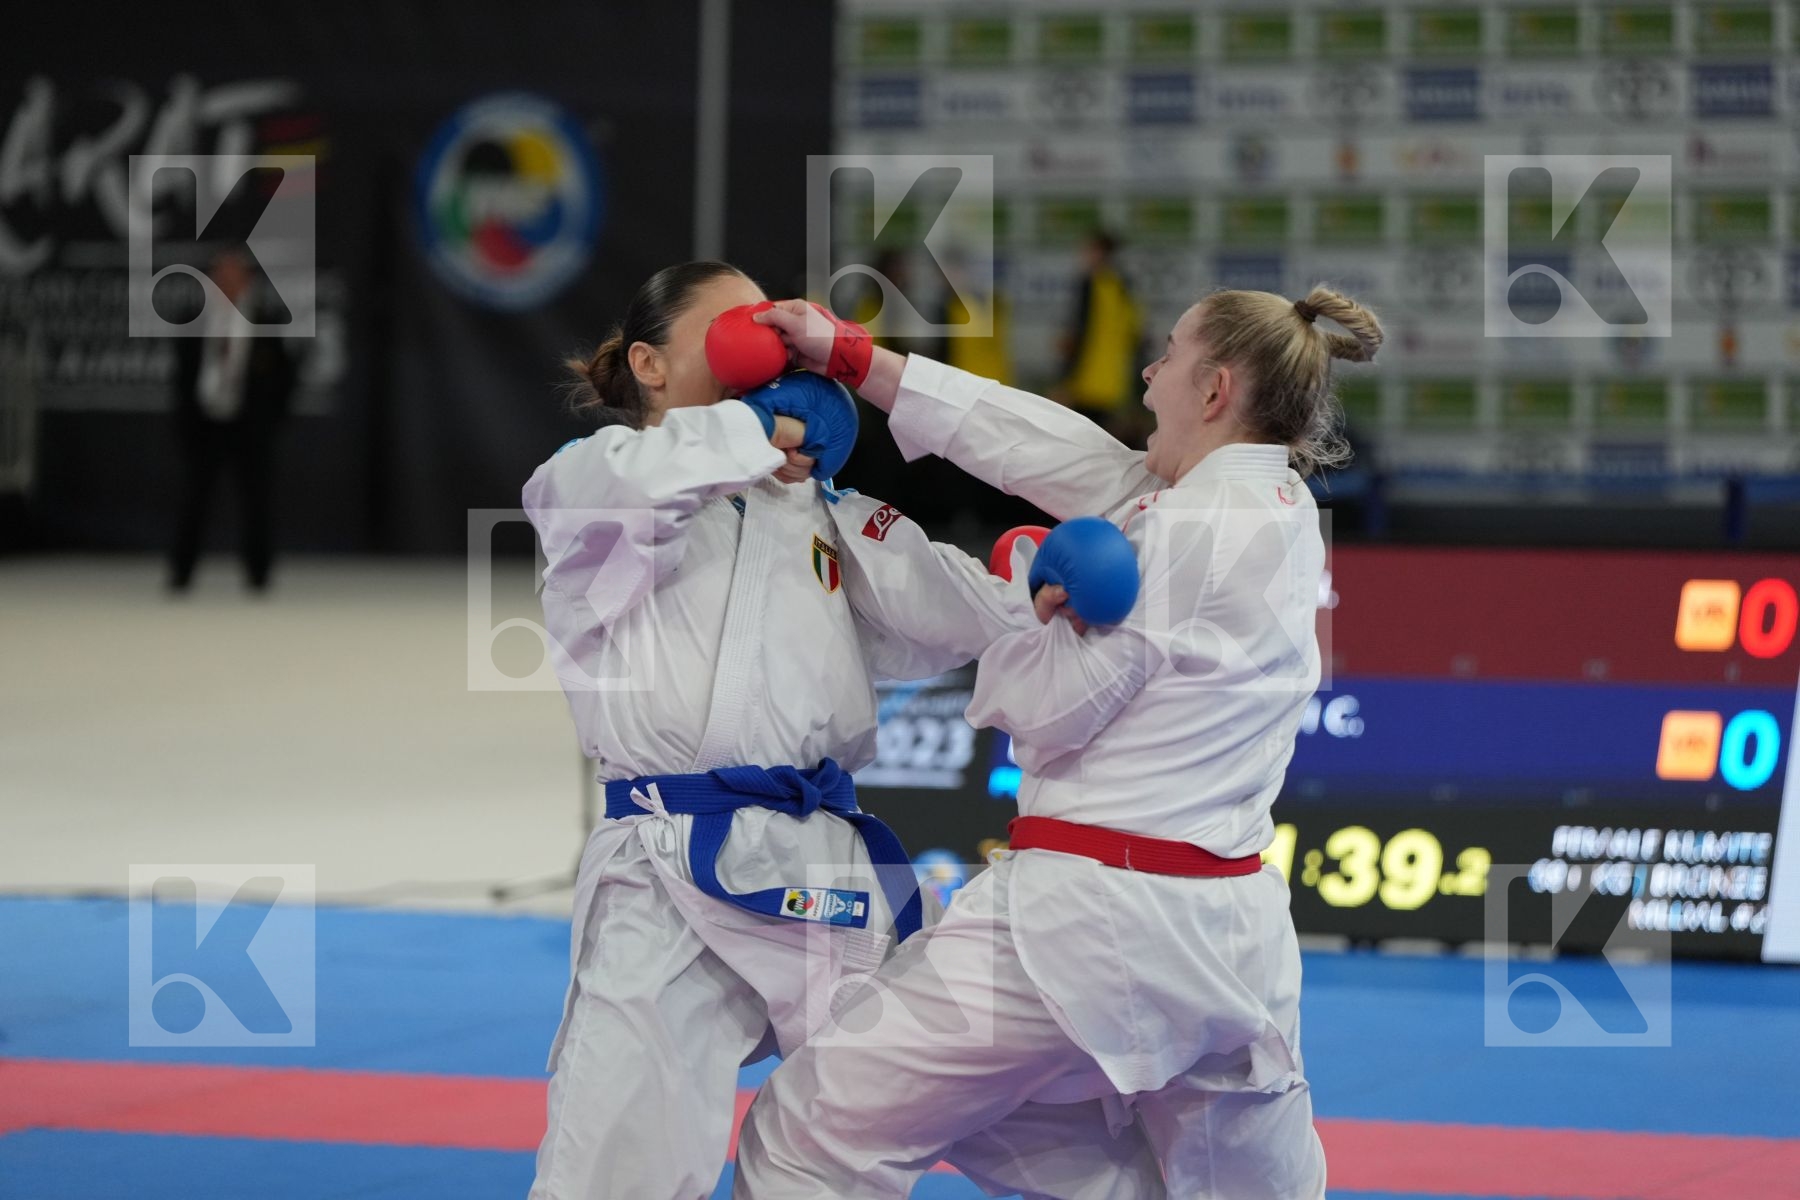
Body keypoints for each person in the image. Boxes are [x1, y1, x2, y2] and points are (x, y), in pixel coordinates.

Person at [522, 261, 1155, 1200]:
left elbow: (943, 609)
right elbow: (594, 485)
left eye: (776, 333)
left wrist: (1034, 588)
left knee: (1010, 1104)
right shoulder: (605, 492)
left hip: (826, 872)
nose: (768, 349)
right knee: (616, 1174)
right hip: (664, 874)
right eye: (739, 329)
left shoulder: (817, 511)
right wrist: (751, 429)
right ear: (650, 367)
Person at [736, 284, 1384, 1199]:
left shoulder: (1184, 529)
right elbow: (1047, 444)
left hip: (1083, 925)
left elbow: (1046, 712)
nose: (1149, 373)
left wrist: (1025, 602)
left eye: (1168, 354)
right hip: (1231, 942)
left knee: (810, 1130)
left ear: (1215, 392)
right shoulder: (1272, 505)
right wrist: (856, 360)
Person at [167, 247, 300, 593]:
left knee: (257, 501)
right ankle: (181, 573)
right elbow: (181, 375)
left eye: (233, 276)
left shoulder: (266, 320)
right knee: (194, 500)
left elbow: (285, 376)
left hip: (250, 427)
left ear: (247, 280)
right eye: (219, 276)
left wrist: (271, 419)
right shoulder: (193, 318)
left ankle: (259, 575)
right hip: (205, 424)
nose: (226, 283)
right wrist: (187, 417)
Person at [1055, 231, 1143, 442]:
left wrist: (1064, 379)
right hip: (1113, 382)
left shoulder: (1091, 284)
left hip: (1085, 381)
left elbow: (1079, 333)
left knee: (1077, 443)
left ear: (1099, 252)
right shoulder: (1123, 287)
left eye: (1087, 250)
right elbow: (1136, 335)